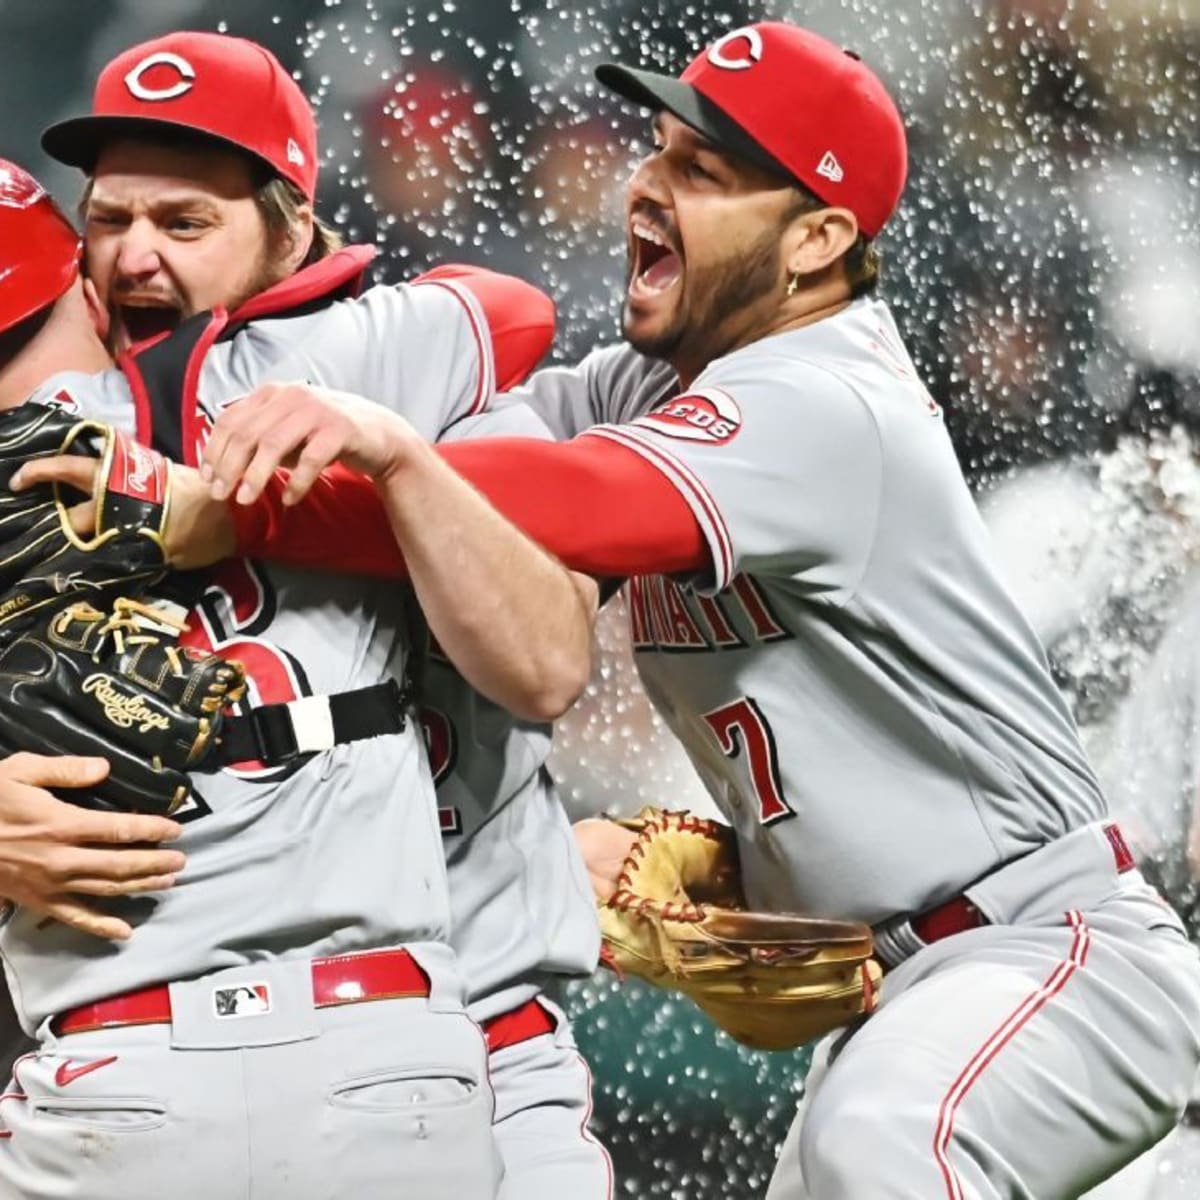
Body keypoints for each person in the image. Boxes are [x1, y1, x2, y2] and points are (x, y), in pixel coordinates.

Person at [178, 22, 1200, 1198]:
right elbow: (472, 423)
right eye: (657, 150)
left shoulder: (825, 392)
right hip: (906, 986)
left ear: (817, 239)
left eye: (704, 173)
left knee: (881, 1142)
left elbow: (547, 501)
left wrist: (252, 488)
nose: (649, 187)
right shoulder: (654, 380)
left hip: (1050, 952)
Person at [0, 67, 595, 1200]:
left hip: (470, 1027)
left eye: (185, 221)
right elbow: (505, 308)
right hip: (351, 1044)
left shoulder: (395, 389)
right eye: (109, 221)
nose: (136, 257)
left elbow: (550, 664)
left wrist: (370, 466)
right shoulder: (395, 363)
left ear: (292, 233)